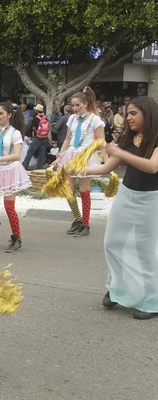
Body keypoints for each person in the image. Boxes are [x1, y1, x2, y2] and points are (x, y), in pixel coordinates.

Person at [79, 96, 158, 319]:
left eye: (133, 113)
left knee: (147, 252)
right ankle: (118, 289)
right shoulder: (128, 139)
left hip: (152, 199)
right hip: (127, 195)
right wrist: (76, 170)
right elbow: (106, 168)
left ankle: (152, 301)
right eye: (127, 113)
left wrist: (119, 152)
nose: (128, 117)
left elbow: (153, 167)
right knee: (113, 242)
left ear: (148, 114)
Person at [56, 86, 105, 237]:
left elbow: (101, 142)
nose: (75, 108)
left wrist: (106, 162)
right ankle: (77, 218)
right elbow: (68, 139)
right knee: (68, 190)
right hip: (71, 155)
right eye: (73, 105)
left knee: (84, 191)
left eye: (78, 105)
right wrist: (60, 155)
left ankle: (85, 223)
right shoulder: (71, 118)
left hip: (86, 156)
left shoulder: (95, 119)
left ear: (85, 104)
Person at [0, 102, 31, 252]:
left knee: (9, 206)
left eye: (1, 113)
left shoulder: (15, 133)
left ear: (9, 115)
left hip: (10, 171)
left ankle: (17, 238)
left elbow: (17, 155)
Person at [22, 104, 51, 169]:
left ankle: (25, 165)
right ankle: (40, 166)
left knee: (30, 151)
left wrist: (30, 135)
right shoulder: (45, 117)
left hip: (38, 137)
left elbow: (32, 128)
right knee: (42, 152)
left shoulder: (36, 118)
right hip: (45, 137)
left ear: (37, 111)